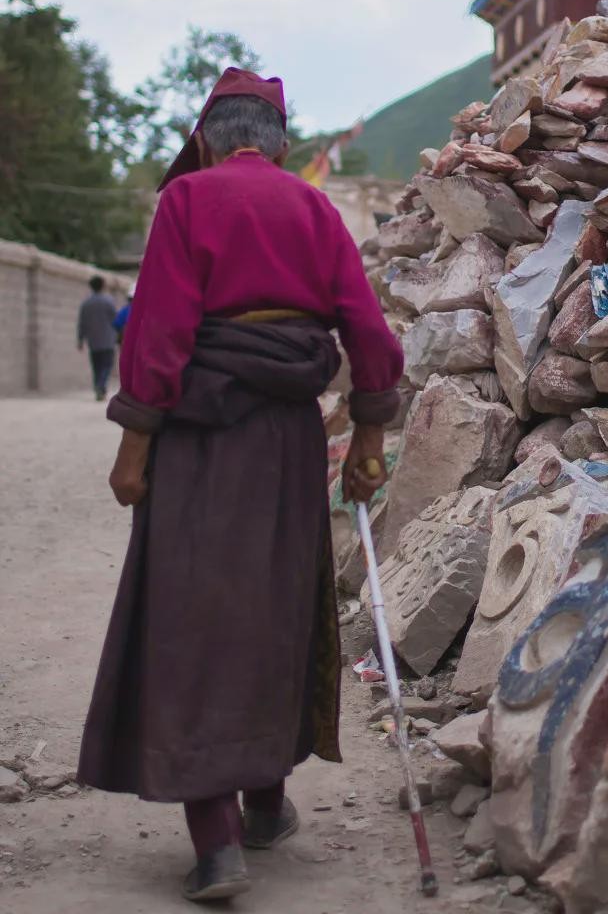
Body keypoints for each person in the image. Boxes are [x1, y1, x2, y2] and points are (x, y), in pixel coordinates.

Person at [77, 68, 403, 904]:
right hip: (288, 445)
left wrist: (133, 447)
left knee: (193, 618)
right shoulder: (314, 208)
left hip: (198, 441)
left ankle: (219, 840)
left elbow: (159, 326)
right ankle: (265, 804)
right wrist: (369, 434)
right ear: (281, 142)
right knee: (276, 609)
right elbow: (365, 324)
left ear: (205, 138)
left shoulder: (187, 203)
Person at [77, 275, 118, 400]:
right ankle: (101, 385)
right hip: (107, 340)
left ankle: (97, 386)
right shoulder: (109, 301)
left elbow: (82, 323)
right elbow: (115, 320)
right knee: (107, 365)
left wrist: (80, 339)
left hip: (93, 341)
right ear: (103, 285)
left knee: (96, 366)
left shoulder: (86, 303)